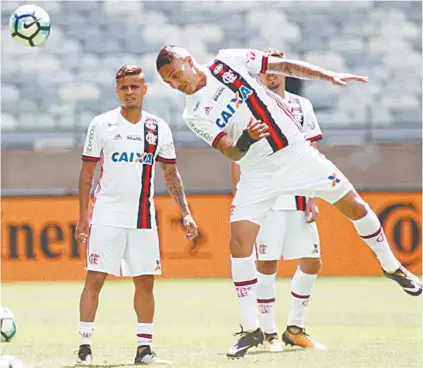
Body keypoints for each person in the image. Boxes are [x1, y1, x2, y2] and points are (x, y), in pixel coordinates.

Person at [156, 46, 422, 359]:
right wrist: (247, 139)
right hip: (257, 172)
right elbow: (231, 151)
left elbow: (283, 65)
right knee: (239, 244)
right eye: (168, 82)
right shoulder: (193, 113)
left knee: (356, 208)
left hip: (296, 155)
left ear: (188, 62)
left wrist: (327, 75)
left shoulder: (228, 60)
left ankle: (392, 267)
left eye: (175, 75)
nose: (175, 84)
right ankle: (251, 329)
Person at [75, 65, 198, 366]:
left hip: (143, 218)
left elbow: (171, 174)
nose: (130, 92)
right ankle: (84, 347)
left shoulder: (158, 128)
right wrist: (83, 215)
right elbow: (86, 173)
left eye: (135, 86)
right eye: (124, 87)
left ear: (145, 90)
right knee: (95, 279)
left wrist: (186, 213)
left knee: (145, 281)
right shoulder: (102, 125)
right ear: (117, 91)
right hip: (106, 214)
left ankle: (144, 350)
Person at [231, 48, 325, 352]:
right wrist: (241, 196)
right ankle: (269, 334)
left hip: (298, 195)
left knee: (312, 262)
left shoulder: (302, 106)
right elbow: (237, 155)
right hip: (265, 196)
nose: (271, 73)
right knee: (267, 263)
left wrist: (313, 195)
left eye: (276, 68)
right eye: (266, 68)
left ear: (285, 71)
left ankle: (294, 328)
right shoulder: (248, 107)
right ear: (258, 73)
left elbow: (312, 153)